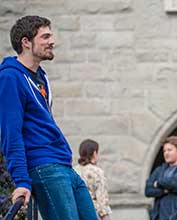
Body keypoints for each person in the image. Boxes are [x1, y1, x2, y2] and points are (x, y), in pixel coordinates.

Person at [0, 16, 98, 220]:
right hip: (44, 166)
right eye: (45, 37)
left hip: (63, 164)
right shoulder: (10, 77)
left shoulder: (41, 77)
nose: (52, 41)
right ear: (26, 42)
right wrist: (21, 181)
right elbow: (11, 133)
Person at [74, 139, 112, 220]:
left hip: (75, 214)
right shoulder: (97, 172)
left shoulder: (73, 171)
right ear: (94, 153)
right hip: (92, 214)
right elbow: (102, 203)